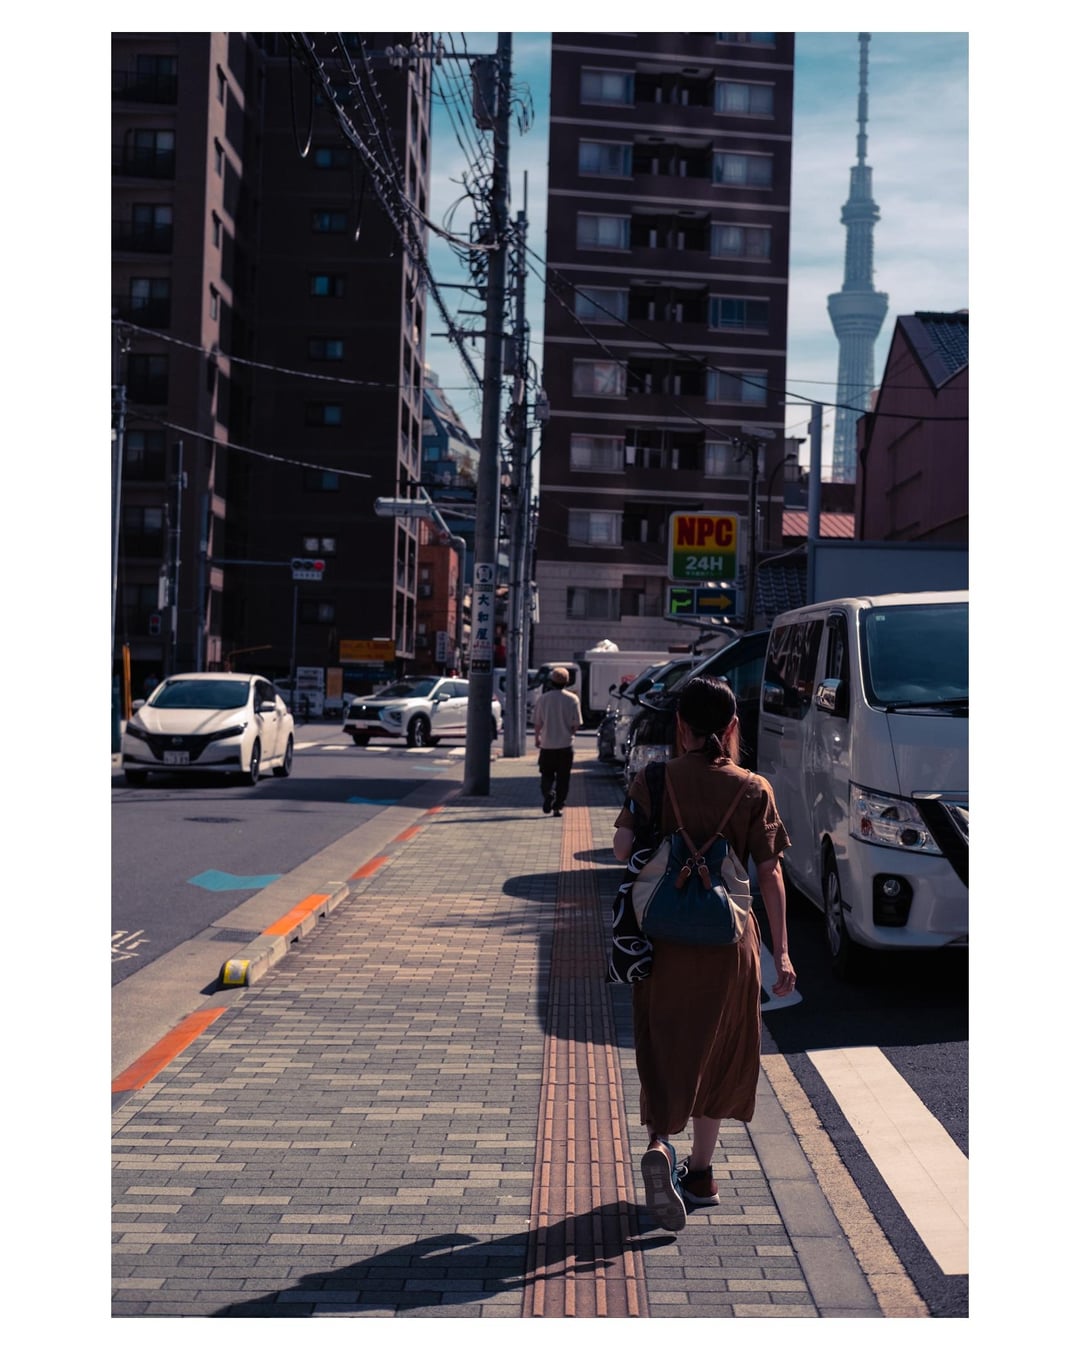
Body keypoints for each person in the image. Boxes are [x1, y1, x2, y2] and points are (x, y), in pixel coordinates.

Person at [612, 674, 797, 1232]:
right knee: (718, 1051)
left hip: (662, 942)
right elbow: (771, 875)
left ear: (681, 725)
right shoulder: (753, 788)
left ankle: (659, 1144)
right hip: (729, 943)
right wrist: (784, 954)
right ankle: (700, 1174)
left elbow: (621, 848)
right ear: (733, 726)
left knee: (663, 1045)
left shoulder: (654, 778)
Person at [532, 666, 582, 817]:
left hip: (547, 745)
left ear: (551, 681)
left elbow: (538, 723)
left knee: (546, 775)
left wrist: (537, 738)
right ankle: (558, 807)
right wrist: (570, 733)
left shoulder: (543, 699)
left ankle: (548, 793)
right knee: (563, 778)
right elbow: (576, 724)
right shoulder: (572, 699)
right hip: (565, 745)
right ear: (567, 682)